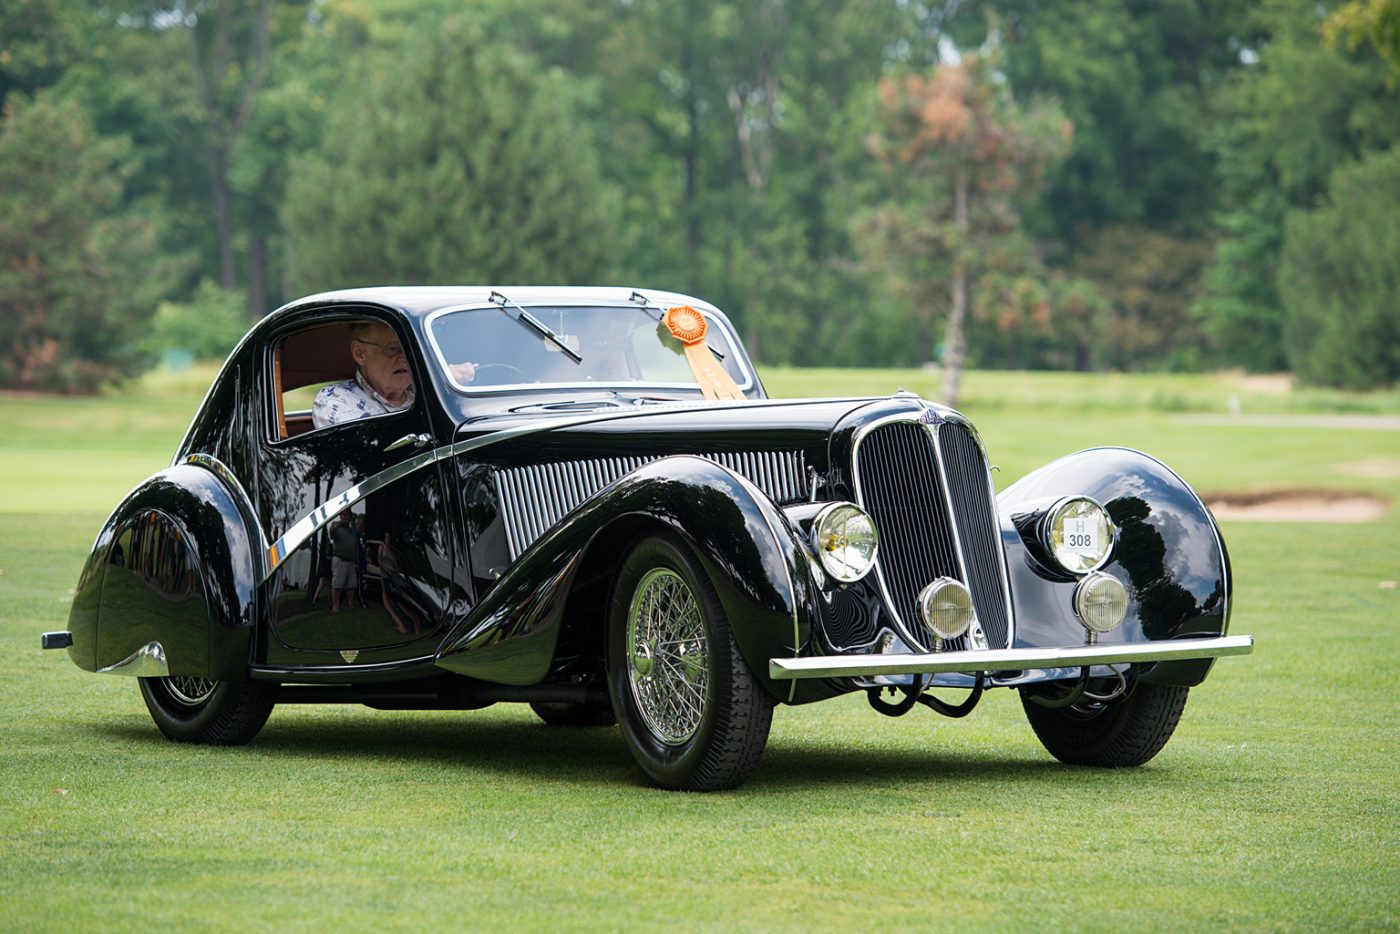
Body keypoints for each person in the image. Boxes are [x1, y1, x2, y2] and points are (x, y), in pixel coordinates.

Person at [312, 322, 417, 428]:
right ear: (359, 353)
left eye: (409, 348)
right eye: (392, 348)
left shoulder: (429, 386)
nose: (404, 358)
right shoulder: (336, 399)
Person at [328, 514, 360, 612]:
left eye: (347, 515)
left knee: (351, 585)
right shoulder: (336, 526)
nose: (346, 517)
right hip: (340, 559)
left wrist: (357, 562)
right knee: (337, 585)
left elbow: (355, 547)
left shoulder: (353, 531)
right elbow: (331, 534)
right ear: (341, 516)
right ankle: (335, 606)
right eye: (343, 515)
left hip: (351, 561)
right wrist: (337, 525)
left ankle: (351, 604)